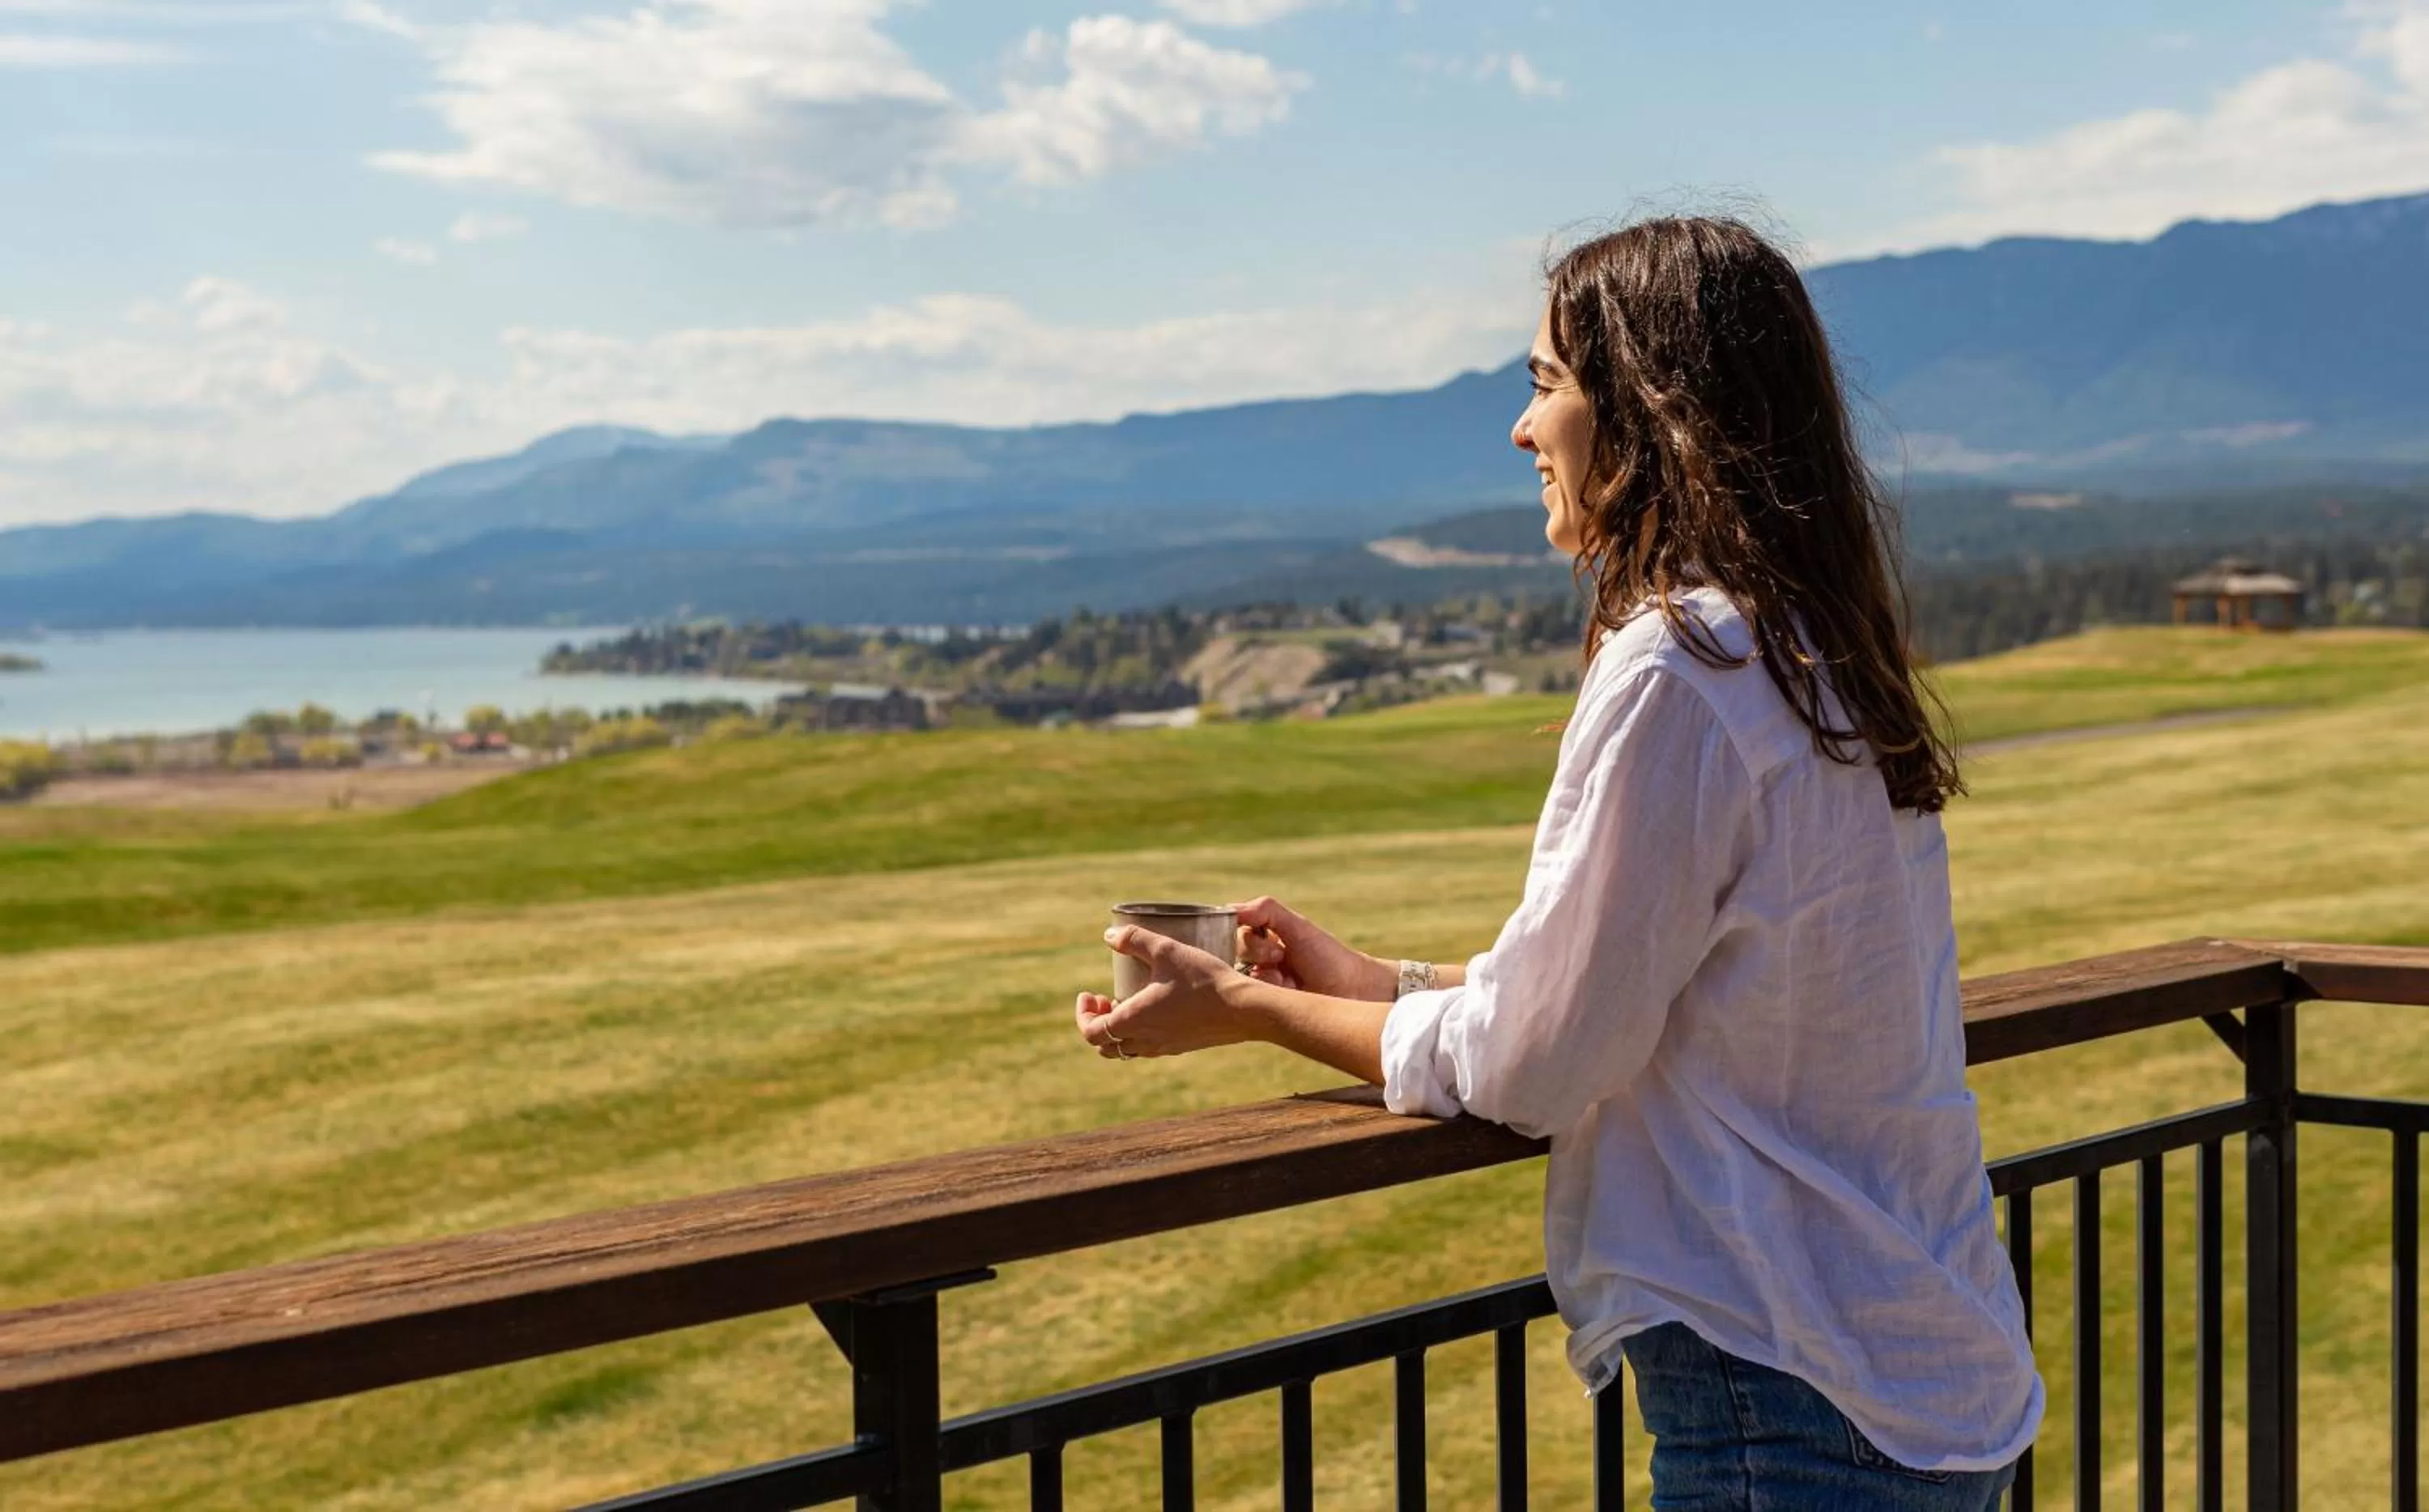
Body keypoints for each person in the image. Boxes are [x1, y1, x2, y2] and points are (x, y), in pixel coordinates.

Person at [1074, 216, 2040, 1506]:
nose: (1523, 432)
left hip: (1795, 1400)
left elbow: (1538, 1064)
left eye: (1545, 386)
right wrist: (1370, 979)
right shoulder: (1809, 646)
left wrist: (1250, 1007)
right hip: (1918, 1375)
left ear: (1648, 411)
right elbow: (1637, 994)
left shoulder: (1681, 667)